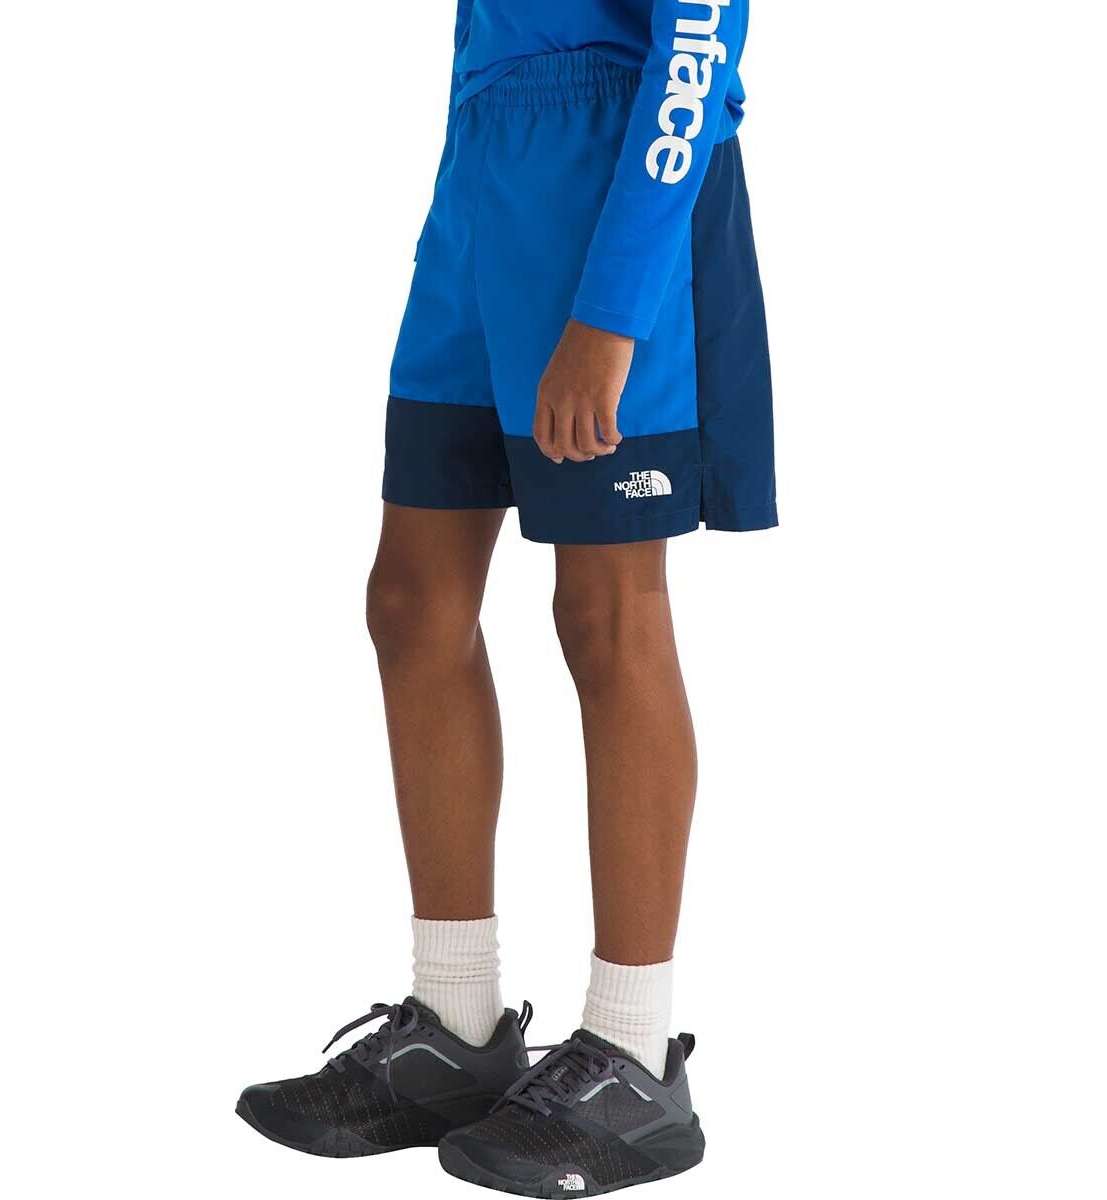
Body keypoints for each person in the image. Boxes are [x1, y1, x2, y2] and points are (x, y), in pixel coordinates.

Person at [238, 1, 775, 1192]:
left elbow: (698, 43)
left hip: (612, 184)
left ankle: (633, 1055)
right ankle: (457, 1025)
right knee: (410, 601)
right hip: (483, 178)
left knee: (604, 613)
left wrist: (614, 307)